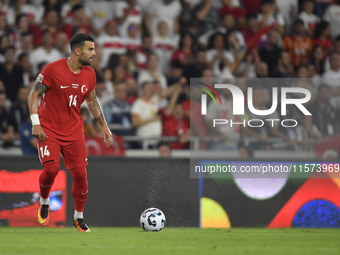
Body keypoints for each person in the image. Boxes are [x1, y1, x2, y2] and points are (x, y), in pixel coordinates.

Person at [27, 33, 113, 232]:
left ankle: (78, 218)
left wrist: (104, 126)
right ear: (77, 50)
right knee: (51, 170)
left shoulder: (90, 73)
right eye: (90, 49)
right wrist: (35, 122)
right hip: (49, 129)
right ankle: (44, 200)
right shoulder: (52, 69)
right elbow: (34, 93)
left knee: (81, 176)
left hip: (74, 130)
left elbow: (91, 100)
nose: (94, 53)